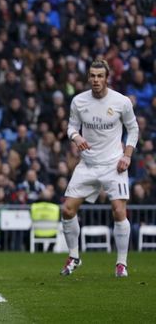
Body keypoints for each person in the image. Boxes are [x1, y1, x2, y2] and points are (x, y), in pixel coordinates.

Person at [60, 59, 138, 278]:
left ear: (107, 78)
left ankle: (121, 264)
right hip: (88, 164)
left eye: (99, 76)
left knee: (119, 210)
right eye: (92, 76)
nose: (96, 80)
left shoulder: (121, 102)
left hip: (114, 165)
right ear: (88, 78)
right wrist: (76, 137)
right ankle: (74, 256)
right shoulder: (78, 101)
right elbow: (71, 127)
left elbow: (133, 129)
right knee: (67, 210)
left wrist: (127, 156)